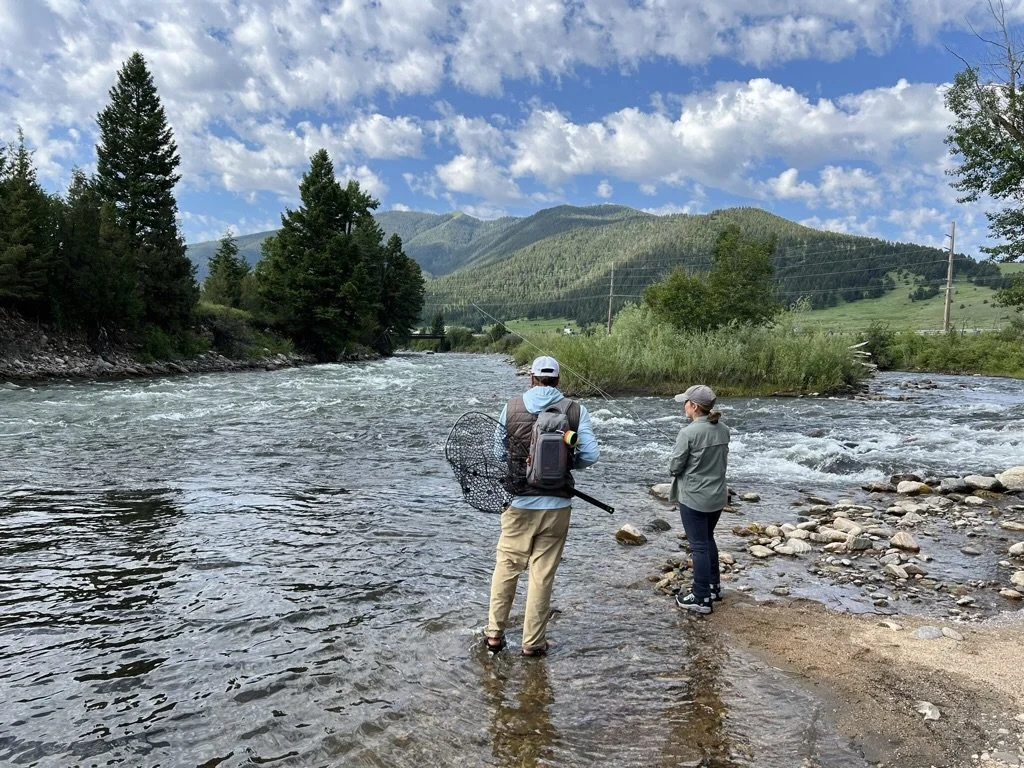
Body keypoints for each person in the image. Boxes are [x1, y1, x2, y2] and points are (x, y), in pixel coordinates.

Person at [485, 355, 600, 656]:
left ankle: (494, 635)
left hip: (518, 502)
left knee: (506, 568)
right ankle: (533, 643)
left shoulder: (511, 407)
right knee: (542, 574)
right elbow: (590, 456)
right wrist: (566, 462)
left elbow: (498, 453)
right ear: (559, 381)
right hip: (557, 504)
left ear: (532, 378)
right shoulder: (576, 410)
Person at [669, 384, 730, 615]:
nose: (683, 405)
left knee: (699, 546)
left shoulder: (688, 433)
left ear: (693, 406)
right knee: (707, 538)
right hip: (717, 497)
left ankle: (701, 597)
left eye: (685, 402)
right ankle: (714, 586)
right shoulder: (723, 429)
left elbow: (675, 467)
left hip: (694, 498)